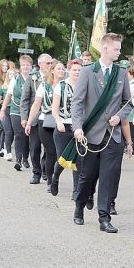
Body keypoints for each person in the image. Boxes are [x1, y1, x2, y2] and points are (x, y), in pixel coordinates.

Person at [71, 33, 133, 232]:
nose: (119, 51)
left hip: (113, 135)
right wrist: (77, 126)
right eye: (116, 48)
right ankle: (79, 206)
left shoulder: (121, 73)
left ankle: (104, 218)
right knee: (87, 175)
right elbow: (78, 102)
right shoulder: (88, 71)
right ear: (105, 48)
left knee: (108, 177)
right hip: (91, 135)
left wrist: (119, 115)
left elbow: (128, 102)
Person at [26, 60, 65, 191]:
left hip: (62, 122)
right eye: (59, 69)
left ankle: (55, 176)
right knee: (51, 152)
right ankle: (51, 181)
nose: (61, 71)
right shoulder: (44, 86)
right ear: (52, 71)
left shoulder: (67, 86)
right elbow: (36, 105)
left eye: (63, 69)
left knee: (60, 155)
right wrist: (29, 122)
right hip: (46, 122)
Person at [51, 60, 82, 198]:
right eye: (74, 70)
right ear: (69, 70)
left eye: (79, 70)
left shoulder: (84, 86)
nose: (77, 72)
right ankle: (55, 178)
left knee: (78, 160)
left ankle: (76, 191)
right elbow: (54, 108)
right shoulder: (61, 86)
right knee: (62, 159)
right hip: (64, 125)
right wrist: (58, 122)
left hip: (79, 127)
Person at [22, 54, 53, 184]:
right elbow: (25, 99)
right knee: (34, 148)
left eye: (51, 63)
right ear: (40, 64)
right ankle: (36, 172)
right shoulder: (32, 78)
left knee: (49, 148)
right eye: (48, 63)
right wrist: (24, 118)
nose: (51, 65)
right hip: (35, 117)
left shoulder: (54, 77)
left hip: (49, 118)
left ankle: (46, 170)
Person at [0, 55, 33, 171]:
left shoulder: (34, 78)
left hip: (30, 111)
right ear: (20, 66)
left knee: (27, 136)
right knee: (19, 135)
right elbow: (8, 95)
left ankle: (25, 157)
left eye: (28, 65)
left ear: (31, 66)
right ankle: (18, 160)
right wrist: (3, 110)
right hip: (16, 110)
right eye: (23, 65)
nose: (25, 67)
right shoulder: (16, 79)